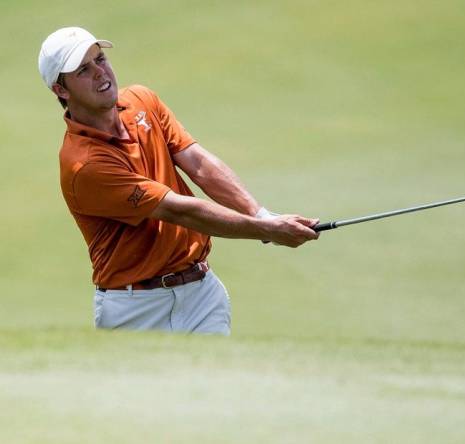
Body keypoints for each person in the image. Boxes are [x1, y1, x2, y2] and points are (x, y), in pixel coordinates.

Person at [38, 26, 320, 335]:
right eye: (82, 69)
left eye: (100, 59)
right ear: (61, 90)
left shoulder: (142, 101)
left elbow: (197, 163)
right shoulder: (84, 164)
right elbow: (179, 210)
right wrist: (267, 230)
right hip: (135, 310)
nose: (99, 72)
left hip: (201, 294)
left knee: (218, 384)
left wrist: (261, 214)